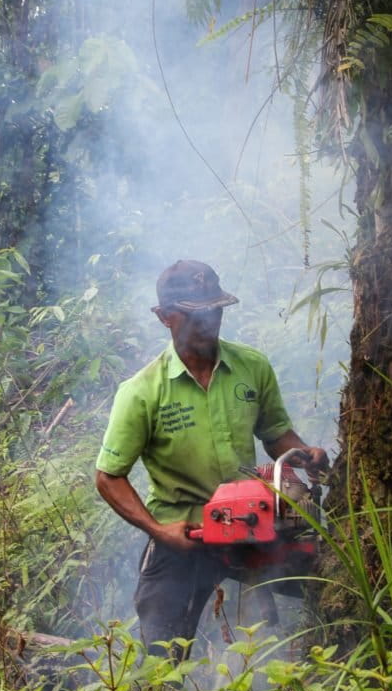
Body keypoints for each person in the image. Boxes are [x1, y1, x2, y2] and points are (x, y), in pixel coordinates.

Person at [95, 259, 329, 658]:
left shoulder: (251, 367)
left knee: (333, 585)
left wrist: (303, 454)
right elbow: (108, 477)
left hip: (255, 521)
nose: (210, 323)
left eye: (216, 311)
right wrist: (159, 530)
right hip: (186, 534)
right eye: (195, 315)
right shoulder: (141, 392)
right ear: (165, 317)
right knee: (162, 651)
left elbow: (275, 434)